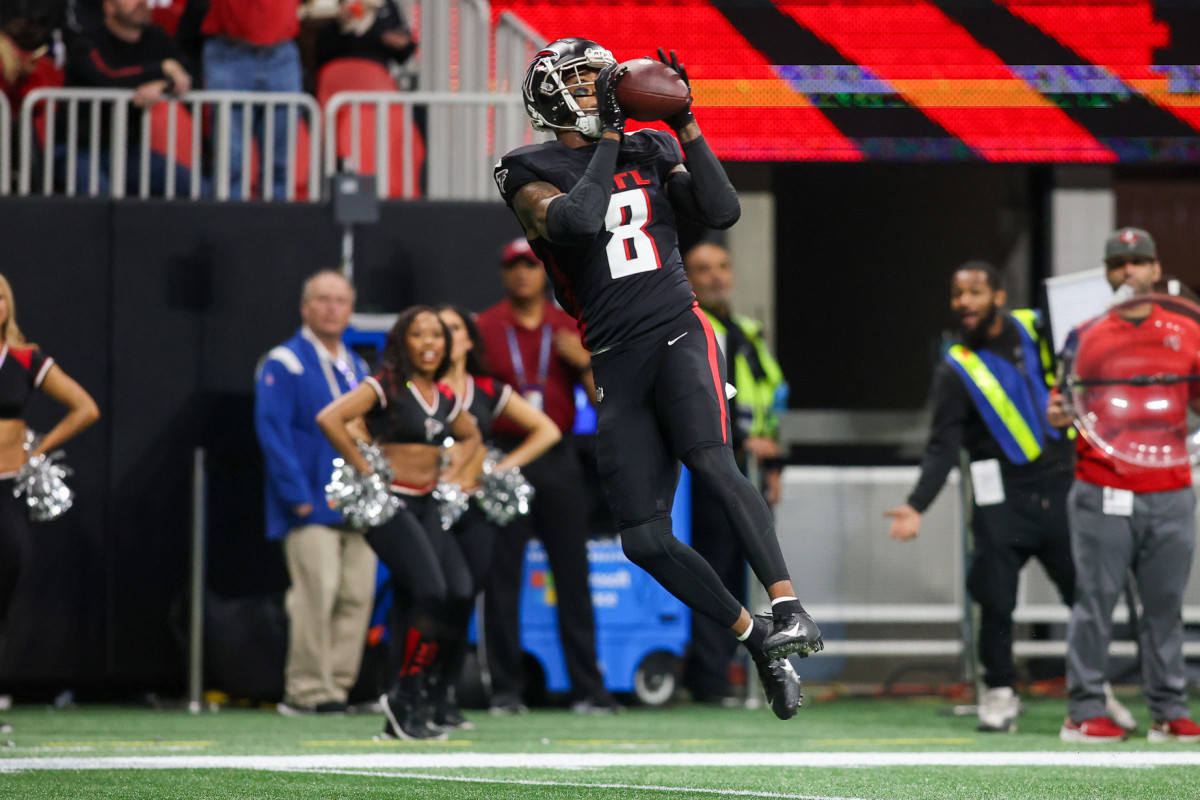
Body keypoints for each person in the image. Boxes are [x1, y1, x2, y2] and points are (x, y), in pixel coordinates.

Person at [492, 38, 819, 721]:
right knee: (641, 537)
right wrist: (612, 134)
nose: (597, 88)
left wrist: (686, 122)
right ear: (550, 94)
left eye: (599, 79)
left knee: (710, 457)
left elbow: (721, 211)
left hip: (677, 327)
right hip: (613, 352)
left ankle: (787, 606)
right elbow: (578, 222)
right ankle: (756, 638)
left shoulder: (652, 147)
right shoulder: (525, 168)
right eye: (582, 82)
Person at [882, 261, 1093, 733]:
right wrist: (917, 504)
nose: (965, 303)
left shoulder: (1041, 330)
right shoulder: (955, 368)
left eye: (976, 292)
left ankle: (1091, 694)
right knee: (994, 600)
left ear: (999, 296)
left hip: (1062, 486)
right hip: (1002, 500)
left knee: (1086, 596)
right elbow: (942, 446)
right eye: (958, 294)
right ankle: (999, 692)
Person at [1048, 227, 1200, 743]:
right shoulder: (1085, 334)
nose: (1129, 271)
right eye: (1119, 264)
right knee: (1095, 602)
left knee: (1165, 608)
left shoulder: (1188, 328)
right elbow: (1060, 409)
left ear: (1156, 269)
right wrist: (1056, 413)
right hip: (1102, 485)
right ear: (1108, 273)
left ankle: (1167, 711)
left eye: (1138, 261)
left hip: (1172, 487)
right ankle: (1083, 710)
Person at [316, 306, 482, 740]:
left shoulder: (444, 397)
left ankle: (415, 697)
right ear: (402, 341)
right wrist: (366, 467)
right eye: (419, 334)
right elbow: (331, 418)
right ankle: (404, 695)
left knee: (459, 591)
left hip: (428, 504)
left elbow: (472, 436)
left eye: (437, 336)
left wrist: (454, 471)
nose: (429, 343)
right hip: (391, 506)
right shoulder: (387, 384)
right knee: (431, 591)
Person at [474, 238, 618, 715]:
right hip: (506, 455)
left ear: (544, 273)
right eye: (514, 265)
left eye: (531, 265)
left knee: (572, 576)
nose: (523, 274)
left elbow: (605, 402)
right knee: (502, 578)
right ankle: (506, 691)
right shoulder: (486, 327)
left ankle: (588, 690)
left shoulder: (568, 326)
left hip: (557, 456)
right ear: (502, 273)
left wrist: (584, 363)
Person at [430, 304, 561, 729]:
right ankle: (416, 687)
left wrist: (501, 468)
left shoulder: (487, 389)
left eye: (452, 329)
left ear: (468, 338)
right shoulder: (417, 390)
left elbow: (548, 429)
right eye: (435, 331)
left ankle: (465, 691)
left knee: (471, 595)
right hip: (427, 505)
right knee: (427, 596)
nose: (443, 338)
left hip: (477, 505)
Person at [253, 270, 376, 716]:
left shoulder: (357, 366)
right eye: (322, 300)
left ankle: (336, 689)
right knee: (315, 593)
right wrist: (296, 495)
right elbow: (273, 433)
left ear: (350, 309)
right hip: (309, 502)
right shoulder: (284, 361)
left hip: (355, 503)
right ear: (306, 308)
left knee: (356, 596)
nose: (331, 308)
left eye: (340, 300)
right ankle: (307, 690)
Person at [681, 241, 787, 706]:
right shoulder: (690, 325)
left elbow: (767, 399)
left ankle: (725, 673)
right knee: (715, 571)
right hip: (711, 467)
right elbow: (705, 400)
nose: (717, 276)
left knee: (741, 568)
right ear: (686, 276)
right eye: (704, 269)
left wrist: (773, 464)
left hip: (751, 468)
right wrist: (744, 442)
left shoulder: (746, 330)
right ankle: (709, 679)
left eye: (723, 266)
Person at [0, 273, 100, 734]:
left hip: (9, 487)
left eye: (0, 297)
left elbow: (85, 407)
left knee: (7, 583)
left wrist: (38, 450)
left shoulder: (25, 358)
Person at [60, 0, 198, 196]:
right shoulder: (87, 37)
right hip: (76, 147)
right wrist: (161, 69)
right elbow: (106, 76)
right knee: (100, 196)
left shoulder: (156, 37)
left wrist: (163, 85)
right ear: (109, 6)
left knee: (195, 189)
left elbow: (187, 72)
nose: (142, 3)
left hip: (128, 149)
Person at [200, 0, 302, 199]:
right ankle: (227, 227)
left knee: (280, 164)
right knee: (230, 163)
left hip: (281, 53)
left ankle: (276, 225)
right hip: (229, 53)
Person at [313, 0, 416, 80]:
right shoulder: (336, 6)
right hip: (342, 79)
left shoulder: (386, 7)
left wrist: (401, 43)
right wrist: (339, 23)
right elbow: (320, 52)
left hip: (375, 81)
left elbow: (403, 55)